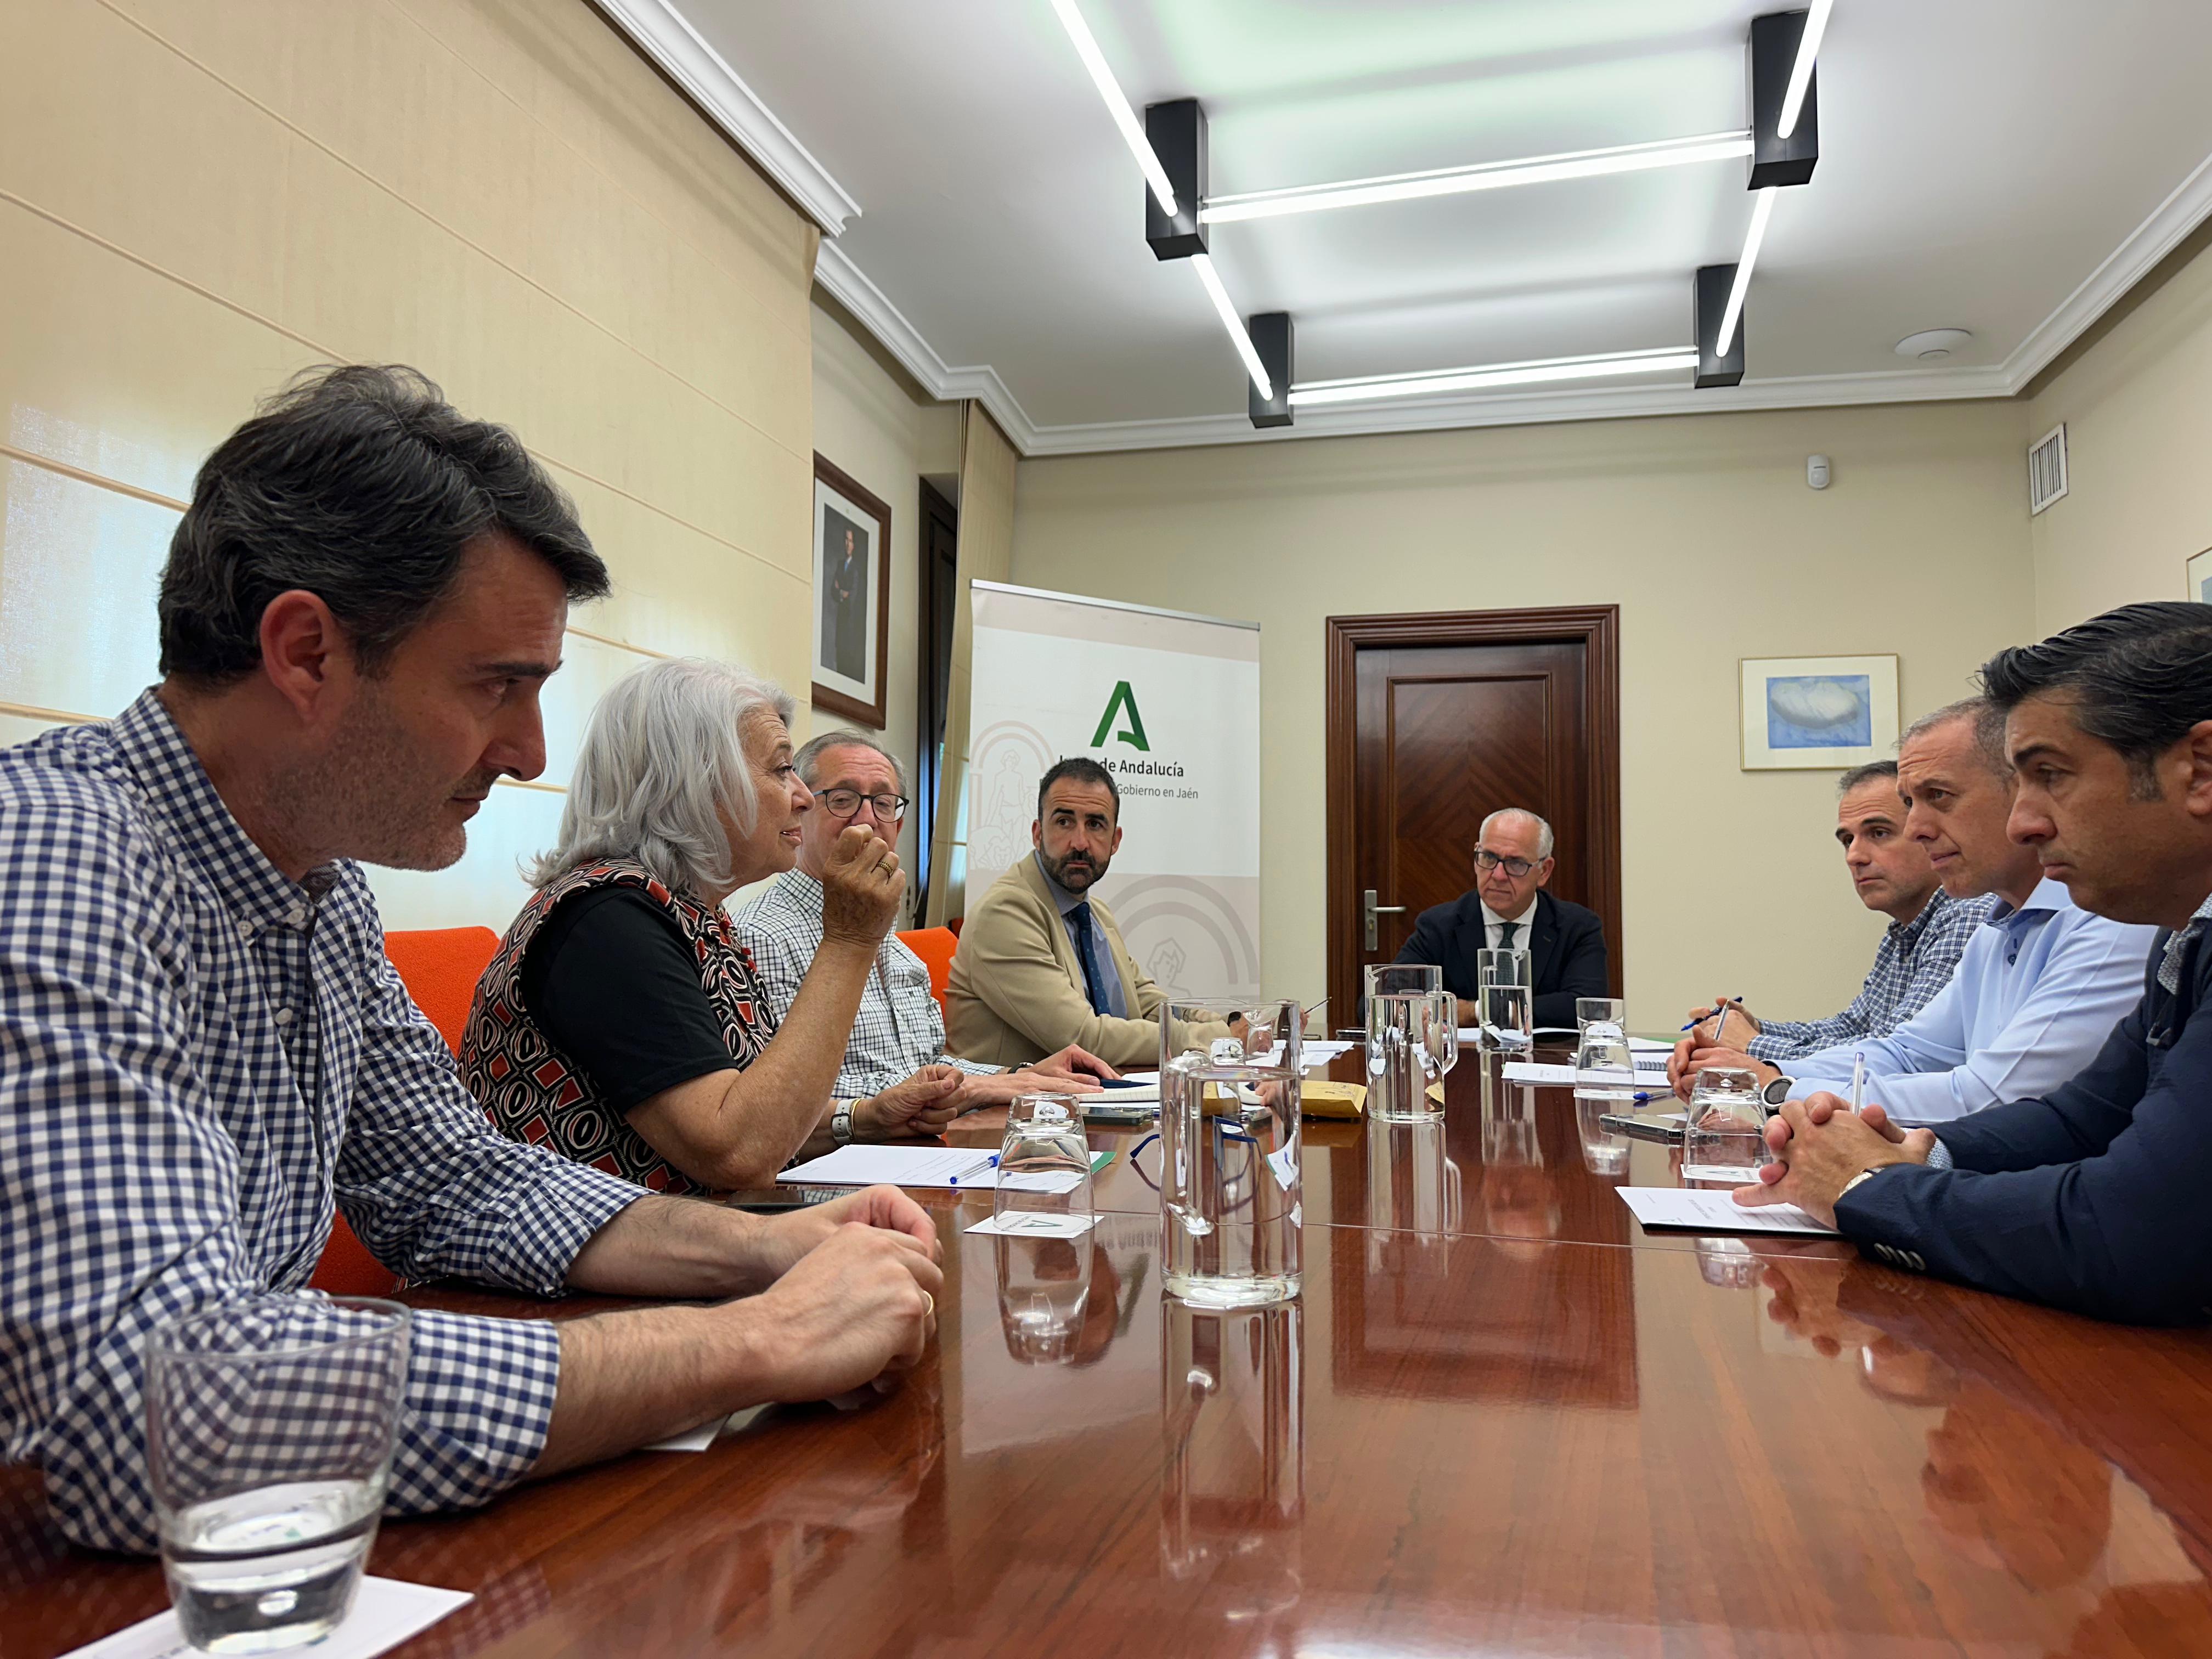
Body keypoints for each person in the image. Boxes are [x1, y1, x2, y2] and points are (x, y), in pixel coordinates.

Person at [0, 365, 941, 1556]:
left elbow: (450, 1180)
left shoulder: (318, 886)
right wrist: (757, 1341)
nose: (531, 747)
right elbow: (152, 1394)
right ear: (305, 652)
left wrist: (768, 1248)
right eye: (498, 684)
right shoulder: (55, 859)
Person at [1739, 603, 2212, 1324]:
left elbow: (2127, 1232)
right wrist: (1911, 1156)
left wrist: (1868, 1189)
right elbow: (2077, 1120)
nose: (2024, 823)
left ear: (2200, 770)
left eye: (2051, 776)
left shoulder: (2136, 926)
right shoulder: (2183, 935)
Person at [466, 659, 992, 1192]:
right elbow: (737, 1153)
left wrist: (862, 1119)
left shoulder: (694, 914)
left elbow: (762, 1115)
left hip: (693, 1251)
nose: (803, 797)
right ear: (695, 781)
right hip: (567, 1271)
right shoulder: (606, 919)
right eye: (782, 769)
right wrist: (851, 939)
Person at [1671, 699, 2157, 1122]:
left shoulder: (2112, 919)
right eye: (1910, 803)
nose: (1919, 828)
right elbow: (1906, 1051)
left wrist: (1773, 1084)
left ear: (2023, 793)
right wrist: (1759, 1072)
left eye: (1938, 798)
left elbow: (1993, 1097)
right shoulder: (2000, 922)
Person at [737, 730, 1115, 1102]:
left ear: (899, 826)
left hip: (926, 1151)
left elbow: (926, 1065)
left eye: (884, 804)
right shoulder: (762, 937)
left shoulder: (894, 945)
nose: (867, 819)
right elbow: (781, 1100)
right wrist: (970, 1088)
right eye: (843, 799)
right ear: (801, 810)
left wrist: (1021, 1074)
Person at [1683, 761, 1992, 1061]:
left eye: (1879, 833)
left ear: (1926, 834)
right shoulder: (1903, 931)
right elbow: (1852, 1027)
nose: (1854, 856)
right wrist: (1756, 1029)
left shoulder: (1966, 914)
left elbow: (1894, 1052)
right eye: (1848, 840)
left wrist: (1752, 1044)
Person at [945, 758, 1232, 1069]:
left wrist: (1231, 1024)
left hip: (1093, 1101)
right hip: (1012, 1112)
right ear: (1038, 833)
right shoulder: (1004, 914)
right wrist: (1216, 1040)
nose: (1080, 842)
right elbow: (1084, 1038)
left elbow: (1148, 1003)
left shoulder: (1093, 912)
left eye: (1095, 824)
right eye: (1064, 822)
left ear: (1115, 841)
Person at [1392, 808, 1608, 1030]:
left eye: (1516, 863)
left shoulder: (1577, 927)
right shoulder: (1439, 926)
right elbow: (1384, 1002)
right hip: (1465, 1060)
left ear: (1544, 871)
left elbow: (1588, 1006)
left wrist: (1478, 1011)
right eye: (1489, 858)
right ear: (1476, 857)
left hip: (1547, 1060)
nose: (1498, 875)